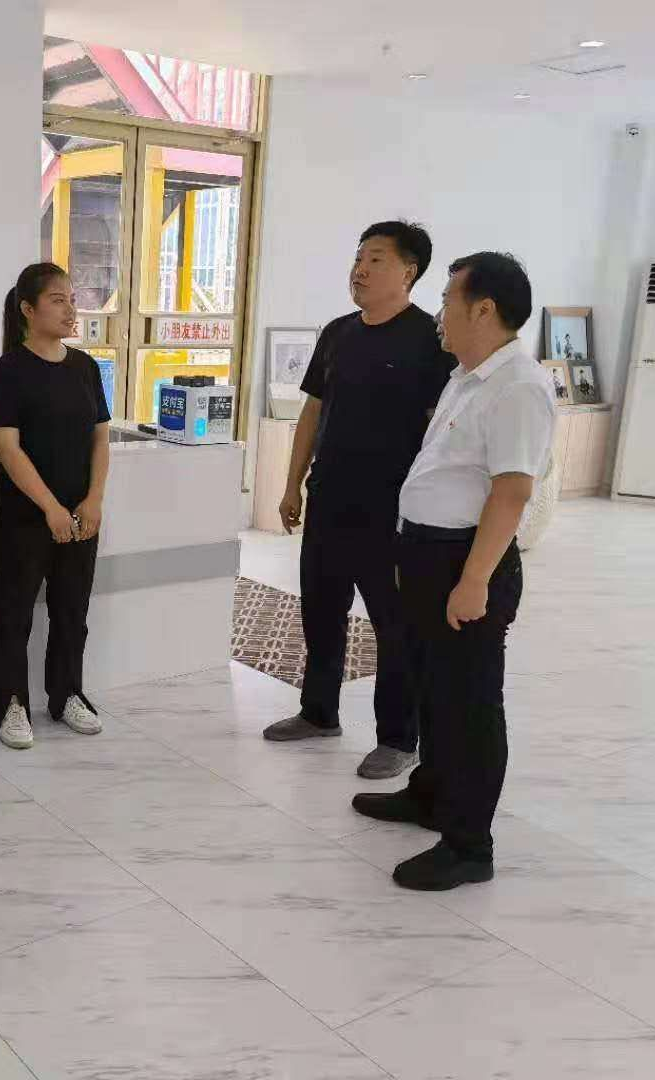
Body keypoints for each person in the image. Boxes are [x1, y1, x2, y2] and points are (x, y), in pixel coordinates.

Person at [352, 252, 555, 891]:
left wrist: (474, 581)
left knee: (469, 703)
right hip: (426, 555)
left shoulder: (519, 385)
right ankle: (432, 795)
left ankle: (469, 845)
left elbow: (512, 492)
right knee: (432, 689)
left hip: (465, 562)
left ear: (483, 309)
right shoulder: (467, 376)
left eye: (447, 300)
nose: (439, 312)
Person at [263, 222, 453, 782]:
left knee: (394, 625)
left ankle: (398, 738)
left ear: (408, 272)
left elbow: (439, 432)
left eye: (375, 259)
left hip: (392, 511)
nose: (360, 270)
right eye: (359, 258)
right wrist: (292, 484)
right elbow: (313, 412)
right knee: (321, 610)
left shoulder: (429, 340)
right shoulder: (338, 333)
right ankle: (318, 713)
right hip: (329, 498)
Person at [0, 262, 110, 749]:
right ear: (28, 310)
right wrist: (51, 508)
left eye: (72, 299)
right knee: (13, 614)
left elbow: (100, 438)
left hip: (81, 514)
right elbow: (7, 448)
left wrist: (93, 500)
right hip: (25, 516)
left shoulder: (85, 368)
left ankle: (67, 693)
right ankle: (8, 704)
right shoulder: (7, 371)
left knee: (72, 610)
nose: (70, 308)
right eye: (58, 300)